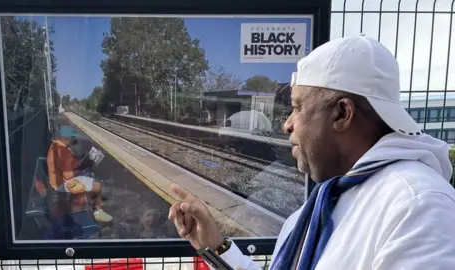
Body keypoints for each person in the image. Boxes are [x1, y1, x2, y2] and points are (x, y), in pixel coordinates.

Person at [168, 34, 455, 269]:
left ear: (342, 113)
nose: (287, 124)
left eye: (298, 107)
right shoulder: (319, 207)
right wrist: (217, 246)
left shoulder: (419, 206)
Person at [47, 135, 113, 223]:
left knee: (87, 176)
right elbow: (68, 175)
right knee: (96, 184)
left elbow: (68, 165)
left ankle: (93, 200)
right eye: (70, 139)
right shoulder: (60, 150)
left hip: (59, 180)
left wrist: (82, 159)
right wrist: (82, 168)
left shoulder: (57, 146)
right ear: (66, 139)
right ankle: (97, 212)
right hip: (63, 183)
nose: (72, 141)